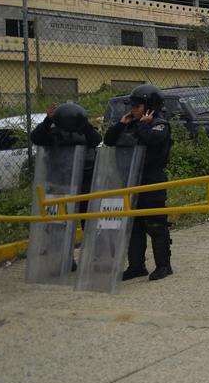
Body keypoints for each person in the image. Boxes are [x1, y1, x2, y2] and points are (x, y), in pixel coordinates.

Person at [103, 84, 174, 282]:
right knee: (134, 226)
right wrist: (120, 124)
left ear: (149, 106)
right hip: (130, 181)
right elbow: (108, 140)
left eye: (137, 106)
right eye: (132, 106)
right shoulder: (131, 124)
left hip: (151, 181)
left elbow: (151, 139)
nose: (132, 109)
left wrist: (143, 123)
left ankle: (164, 265)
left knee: (155, 224)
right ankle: (136, 266)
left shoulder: (160, 124)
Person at [30, 101, 102, 271]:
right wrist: (48, 120)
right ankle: (63, 260)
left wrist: (84, 124)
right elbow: (35, 137)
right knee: (58, 224)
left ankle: (93, 259)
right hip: (60, 183)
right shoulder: (52, 133)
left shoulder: (85, 133)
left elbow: (97, 139)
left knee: (89, 222)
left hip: (85, 183)